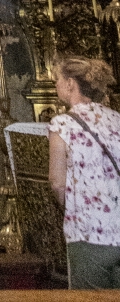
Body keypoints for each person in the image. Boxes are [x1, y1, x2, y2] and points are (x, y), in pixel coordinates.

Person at [49, 55, 120, 288]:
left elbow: (57, 183)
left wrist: (72, 210)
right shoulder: (117, 119)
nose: (56, 85)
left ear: (70, 83)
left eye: (58, 80)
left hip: (89, 232)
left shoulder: (62, 124)